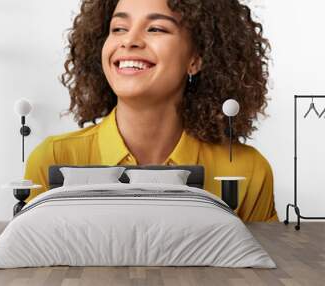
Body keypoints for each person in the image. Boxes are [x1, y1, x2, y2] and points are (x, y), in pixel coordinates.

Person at [24, 0, 278, 222]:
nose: (129, 41)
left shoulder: (247, 170)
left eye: (156, 28)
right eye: (118, 29)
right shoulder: (52, 158)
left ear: (196, 59)